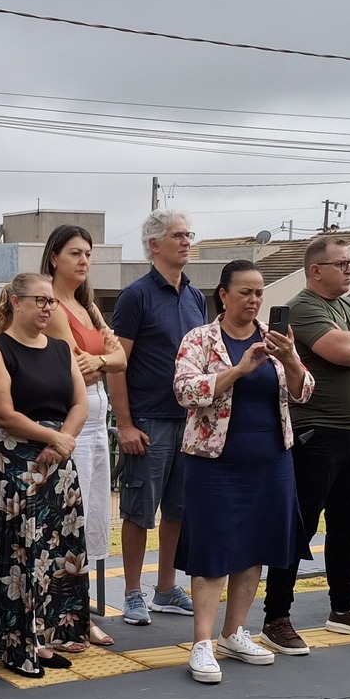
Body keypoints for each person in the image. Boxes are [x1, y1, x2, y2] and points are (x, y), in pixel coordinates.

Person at [259, 235, 350, 653]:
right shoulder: (304, 307)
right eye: (341, 264)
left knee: (349, 525)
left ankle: (343, 607)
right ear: (315, 270)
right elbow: (340, 351)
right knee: (299, 527)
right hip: (316, 434)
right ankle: (276, 617)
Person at [172, 260, 311, 681]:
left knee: (255, 546)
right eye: (246, 292)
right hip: (215, 462)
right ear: (224, 295)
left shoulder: (275, 338)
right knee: (213, 550)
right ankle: (201, 642)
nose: (254, 300)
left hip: (270, 459)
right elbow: (184, 390)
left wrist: (290, 359)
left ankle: (234, 632)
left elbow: (304, 391)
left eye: (259, 293)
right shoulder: (200, 338)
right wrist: (237, 370)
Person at [0, 272, 92, 677]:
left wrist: (62, 442)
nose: (46, 307)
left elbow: (80, 403)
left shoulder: (61, 349)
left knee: (53, 554)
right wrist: (53, 438)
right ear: (16, 301)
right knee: (17, 554)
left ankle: (41, 638)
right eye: (39, 300)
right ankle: (14, 645)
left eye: (50, 301)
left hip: (57, 464)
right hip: (14, 464)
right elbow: (3, 413)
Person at [108, 209, 208, 625]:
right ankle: (132, 593)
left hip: (190, 420)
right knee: (138, 510)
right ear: (154, 244)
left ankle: (166, 588)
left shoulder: (197, 297)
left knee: (179, 509)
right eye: (177, 235)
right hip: (149, 421)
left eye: (188, 234)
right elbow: (116, 365)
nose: (186, 241)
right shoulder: (136, 296)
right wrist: (125, 425)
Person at [42, 223, 123, 645]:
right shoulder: (53, 305)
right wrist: (104, 358)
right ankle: (61, 614)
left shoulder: (88, 306)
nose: (84, 261)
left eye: (88, 254)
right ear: (54, 257)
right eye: (75, 253)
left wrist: (102, 360)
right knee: (67, 518)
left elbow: (119, 358)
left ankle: (81, 611)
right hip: (72, 418)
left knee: (91, 518)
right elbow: (74, 364)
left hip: (98, 420)